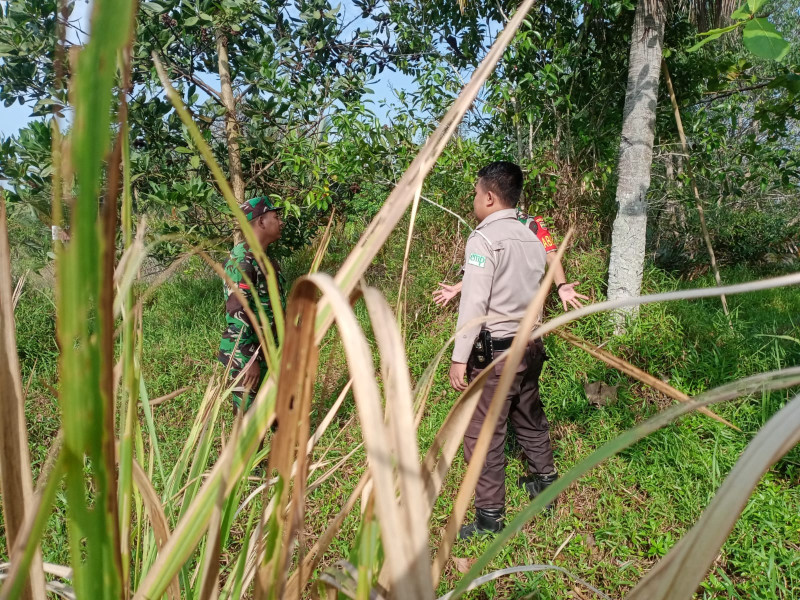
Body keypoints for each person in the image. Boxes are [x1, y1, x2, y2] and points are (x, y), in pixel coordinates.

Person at [442, 161, 587, 539]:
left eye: (476, 192)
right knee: (528, 413)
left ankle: (490, 518)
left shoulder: (484, 240)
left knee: (484, 434)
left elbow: (474, 304)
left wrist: (460, 358)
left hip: (496, 355)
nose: (474, 199)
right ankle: (546, 482)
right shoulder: (532, 236)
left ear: (489, 197)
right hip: (531, 345)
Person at [218, 196, 286, 415]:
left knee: (277, 417)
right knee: (250, 426)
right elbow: (238, 313)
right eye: (276, 217)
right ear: (261, 222)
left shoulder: (266, 260)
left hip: (269, 351)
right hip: (247, 356)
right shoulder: (242, 261)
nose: (281, 222)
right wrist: (249, 361)